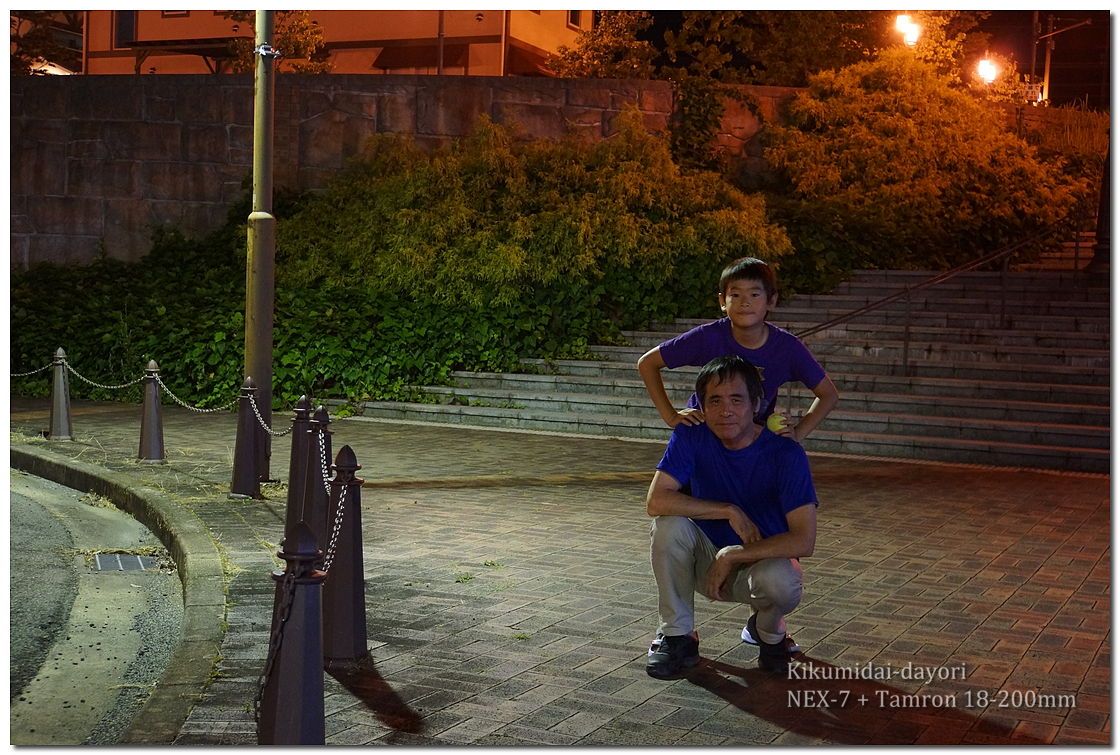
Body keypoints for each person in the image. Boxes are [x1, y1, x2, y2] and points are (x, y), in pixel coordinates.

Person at [644, 355, 818, 679]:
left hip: (758, 563)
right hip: (703, 562)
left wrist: (734, 555)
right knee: (667, 525)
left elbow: (804, 539)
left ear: (756, 404)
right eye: (715, 400)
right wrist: (727, 510)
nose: (726, 410)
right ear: (702, 405)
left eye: (736, 400)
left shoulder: (786, 453)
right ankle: (677, 637)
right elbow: (657, 500)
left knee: (782, 581)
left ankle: (769, 635)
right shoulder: (691, 436)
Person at [637, 256, 839, 442]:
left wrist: (797, 434)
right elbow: (647, 363)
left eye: (754, 294)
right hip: (701, 438)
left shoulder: (787, 348)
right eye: (735, 294)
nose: (745, 302)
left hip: (751, 442)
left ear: (771, 300)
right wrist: (671, 416)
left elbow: (828, 394)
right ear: (722, 301)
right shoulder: (707, 337)